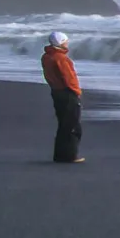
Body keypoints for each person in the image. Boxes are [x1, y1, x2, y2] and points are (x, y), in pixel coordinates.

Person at [40, 32, 84, 163]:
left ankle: (60, 155)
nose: (67, 43)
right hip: (67, 93)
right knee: (72, 126)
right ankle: (69, 155)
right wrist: (77, 92)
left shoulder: (47, 57)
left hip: (56, 91)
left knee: (63, 125)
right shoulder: (61, 58)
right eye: (65, 41)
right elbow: (69, 78)